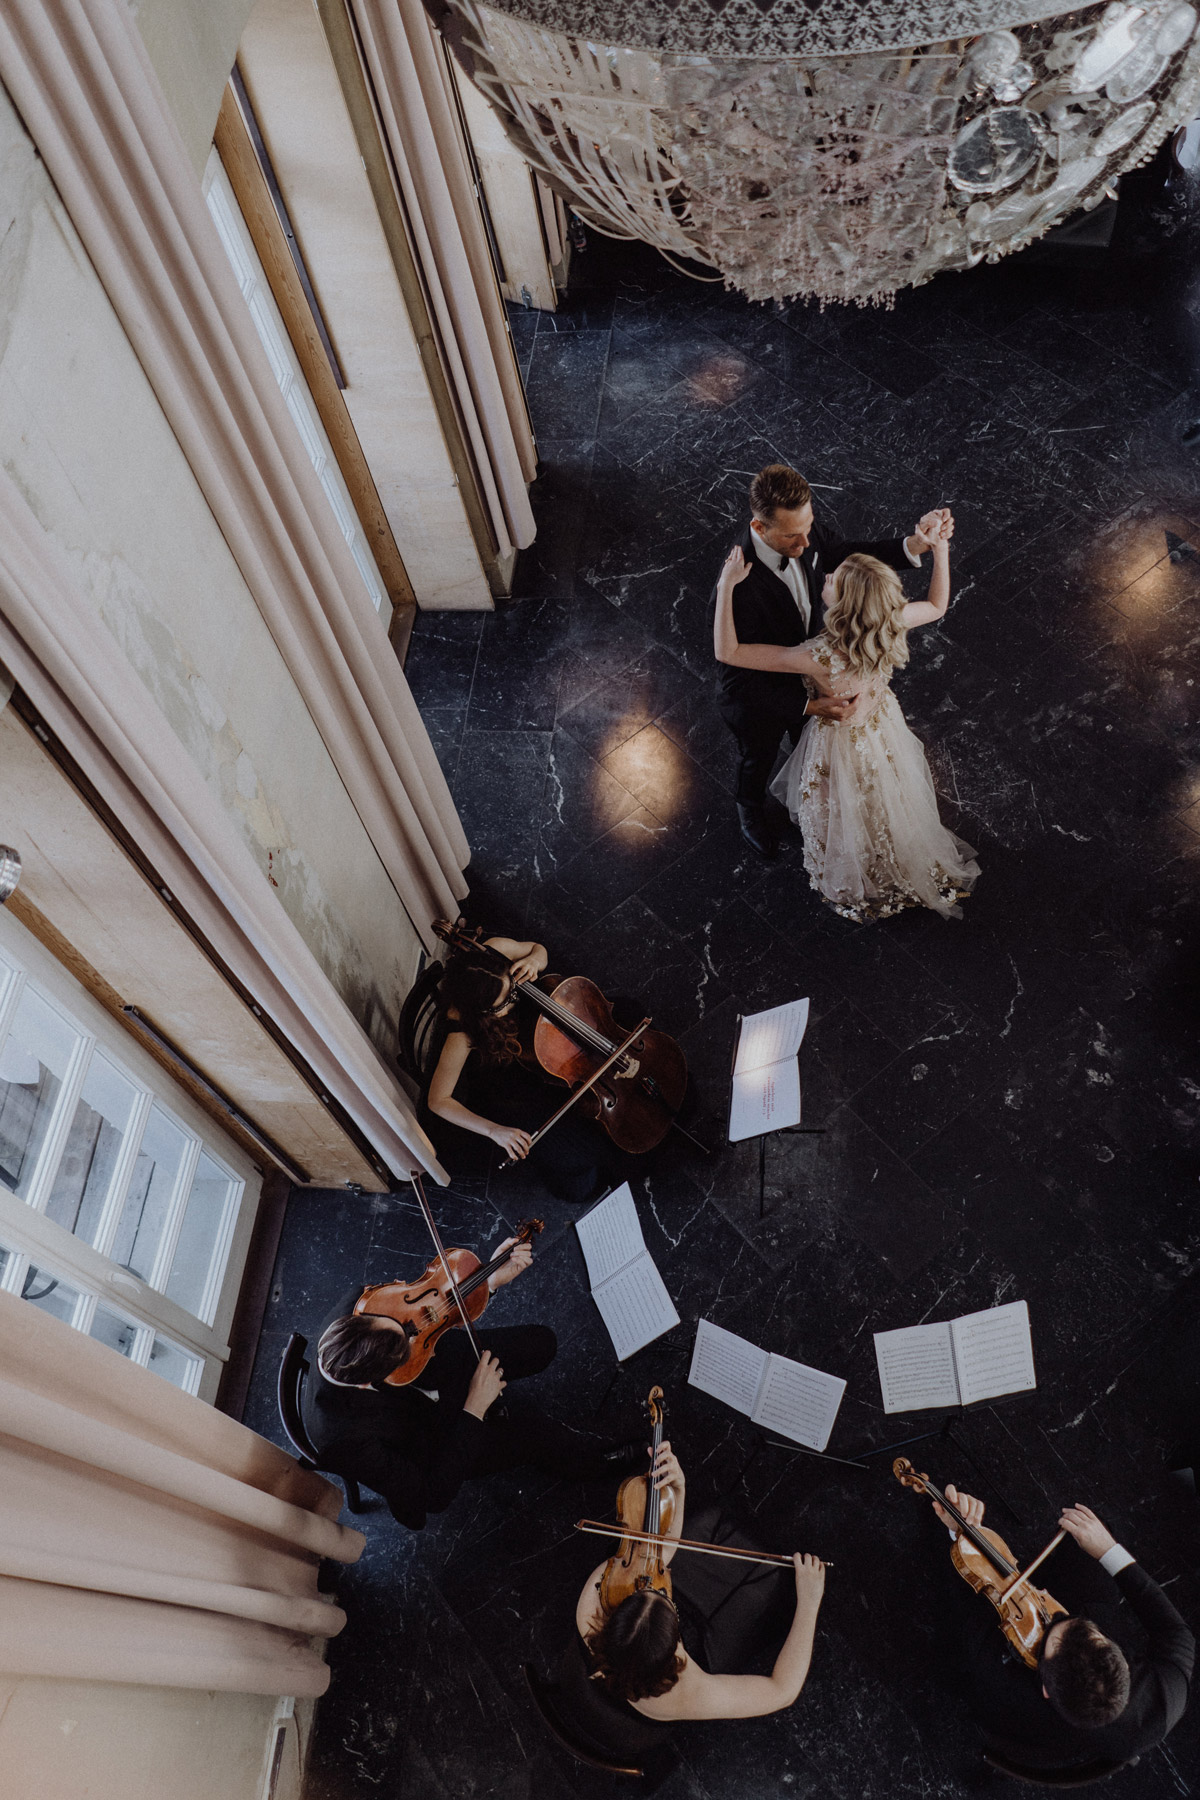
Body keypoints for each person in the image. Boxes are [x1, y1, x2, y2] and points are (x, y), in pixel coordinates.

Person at [715, 513, 980, 922]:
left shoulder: (820, 656)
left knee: (838, 805)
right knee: (881, 793)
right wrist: (940, 550)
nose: (827, 575)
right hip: (881, 727)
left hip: (838, 740)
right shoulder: (889, 621)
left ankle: (851, 871)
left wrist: (726, 587)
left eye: (834, 579)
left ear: (844, 604)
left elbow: (729, 653)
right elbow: (938, 604)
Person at [303, 1238, 639, 1530]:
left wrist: (486, 1283)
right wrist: (474, 1409)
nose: (410, 1331)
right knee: (535, 1435)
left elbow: (426, 1314)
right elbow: (431, 1495)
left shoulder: (360, 1301)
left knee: (540, 1343)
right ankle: (593, 1463)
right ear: (369, 1384)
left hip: (436, 1365)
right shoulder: (340, 1441)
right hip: (429, 1439)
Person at [712, 462, 950, 861]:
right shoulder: (739, 588)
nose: (807, 544)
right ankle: (750, 808)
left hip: (820, 677)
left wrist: (915, 544)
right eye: (793, 536)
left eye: (809, 528)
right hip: (769, 697)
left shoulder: (804, 531)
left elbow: (841, 554)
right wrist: (806, 705)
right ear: (760, 529)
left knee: (821, 771)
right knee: (759, 756)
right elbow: (735, 680)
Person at [559, 1439, 827, 1763]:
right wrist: (810, 1601)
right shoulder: (685, 1691)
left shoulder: (592, 1605)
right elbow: (782, 1689)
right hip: (630, 1733)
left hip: (589, 1677)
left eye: (648, 1591)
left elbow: (656, 1557)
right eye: (665, 1598)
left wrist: (679, 1490)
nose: (658, 1583)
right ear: (675, 1652)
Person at [929, 1483, 1194, 1770]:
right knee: (1096, 1530)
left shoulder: (1004, 1683)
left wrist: (964, 1534)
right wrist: (1108, 1550)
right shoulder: (1167, 1696)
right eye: (1081, 1627)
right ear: (1121, 1662)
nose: (1055, 1609)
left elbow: (973, 1608)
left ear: (1045, 1689)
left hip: (1013, 1720)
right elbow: (1176, 1632)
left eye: (1050, 1636)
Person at [425, 933, 631, 1205]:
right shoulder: (460, 1032)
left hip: (539, 1034)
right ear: (481, 1013)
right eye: (504, 1002)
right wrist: (494, 1131)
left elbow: (538, 948)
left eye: (512, 988)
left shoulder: (494, 953)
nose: (514, 997)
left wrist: (534, 960)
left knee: (627, 1012)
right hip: (512, 1083)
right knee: (583, 1151)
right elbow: (438, 1101)